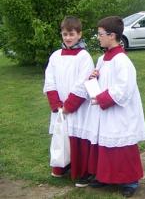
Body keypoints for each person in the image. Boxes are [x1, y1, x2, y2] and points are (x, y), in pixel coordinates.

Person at [84, 16, 145, 197]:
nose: (98, 37)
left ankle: (130, 180)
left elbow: (124, 88)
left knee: (122, 145)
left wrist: (103, 98)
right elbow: (103, 79)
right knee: (105, 143)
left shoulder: (123, 61)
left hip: (120, 111)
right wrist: (94, 77)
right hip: (106, 111)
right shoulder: (102, 59)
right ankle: (105, 176)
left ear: (112, 36)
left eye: (100, 34)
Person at [43, 16, 94, 184]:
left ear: (79, 34)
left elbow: (83, 83)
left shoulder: (84, 56)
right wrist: (56, 104)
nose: (68, 38)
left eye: (71, 34)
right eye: (65, 34)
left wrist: (69, 105)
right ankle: (61, 165)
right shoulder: (55, 56)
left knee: (77, 137)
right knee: (61, 134)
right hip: (59, 107)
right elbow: (49, 80)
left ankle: (82, 171)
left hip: (76, 107)